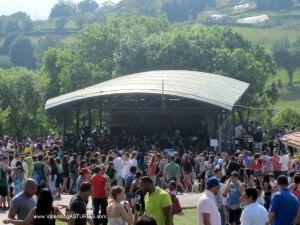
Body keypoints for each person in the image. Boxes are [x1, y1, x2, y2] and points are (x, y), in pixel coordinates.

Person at [4, 188, 68, 225]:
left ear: (39, 199)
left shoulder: (35, 210)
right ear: (50, 199)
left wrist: (10, 220)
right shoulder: (54, 210)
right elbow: (66, 220)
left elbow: (24, 222)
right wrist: (67, 209)